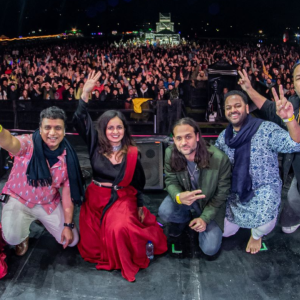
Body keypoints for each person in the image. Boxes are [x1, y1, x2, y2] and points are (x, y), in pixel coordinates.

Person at [73, 71, 167, 282]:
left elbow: (139, 182)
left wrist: (140, 206)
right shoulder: (94, 144)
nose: (115, 131)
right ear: (103, 129)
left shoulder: (133, 152)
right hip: (95, 200)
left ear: (124, 129)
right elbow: (79, 119)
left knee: (119, 229)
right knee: (90, 247)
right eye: (110, 127)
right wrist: (85, 95)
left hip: (122, 198)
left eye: (119, 127)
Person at [214, 89, 300, 254]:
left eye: (237, 106)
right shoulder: (224, 136)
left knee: (264, 224)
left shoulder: (266, 129)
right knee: (225, 232)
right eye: (228, 107)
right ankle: (241, 222)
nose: (233, 110)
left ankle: (256, 234)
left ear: (247, 108)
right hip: (236, 193)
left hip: (263, 191)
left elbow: (295, 143)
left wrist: (289, 118)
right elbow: (216, 165)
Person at [0, 106, 84, 256]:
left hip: (47, 203)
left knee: (72, 241)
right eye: (47, 128)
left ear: (64, 131)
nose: (52, 133)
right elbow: (10, 142)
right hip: (19, 200)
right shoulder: (28, 143)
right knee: (11, 238)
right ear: (40, 128)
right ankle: (22, 236)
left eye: (58, 128)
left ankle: (40, 219)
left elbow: (67, 193)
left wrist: (67, 225)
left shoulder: (68, 157)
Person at [237, 66, 300, 234]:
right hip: (297, 172)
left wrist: (290, 119)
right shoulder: (294, 103)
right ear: (293, 83)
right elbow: (270, 109)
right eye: (299, 78)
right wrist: (249, 89)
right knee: (292, 204)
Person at [158, 118, 231, 257]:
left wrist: (205, 218)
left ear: (197, 136)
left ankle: (199, 221)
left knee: (210, 249)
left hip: (208, 204)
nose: (183, 142)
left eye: (188, 137)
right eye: (179, 138)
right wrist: (178, 196)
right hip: (186, 200)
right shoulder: (170, 153)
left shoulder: (219, 159)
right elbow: (170, 180)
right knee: (165, 211)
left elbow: (221, 194)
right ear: (174, 139)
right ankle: (184, 219)